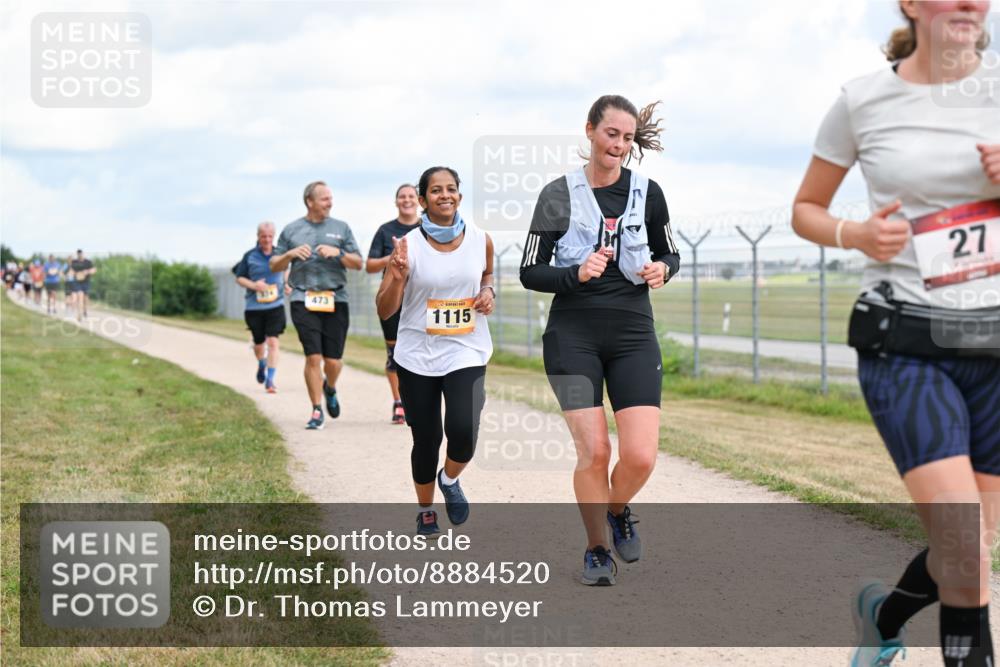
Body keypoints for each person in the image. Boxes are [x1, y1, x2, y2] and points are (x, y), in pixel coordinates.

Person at [791, 2, 998, 664]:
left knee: (969, 548)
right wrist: (855, 232)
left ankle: (884, 613)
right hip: (907, 341)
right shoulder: (864, 100)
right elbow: (806, 209)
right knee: (967, 551)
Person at [520, 95, 680, 585]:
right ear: (589, 130)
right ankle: (595, 551)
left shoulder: (649, 193)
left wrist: (662, 270)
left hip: (634, 334)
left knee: (640, 456)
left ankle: (616, 509)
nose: (619, 145)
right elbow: (529, 270)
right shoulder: (556, 193)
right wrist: (575, 273)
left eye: (628, 138)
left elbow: (671, 253)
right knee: (594, 454)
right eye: (612, 134)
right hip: (571, 337)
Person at [376, 166, 494, 537]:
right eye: (437, 190)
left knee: (463, 431)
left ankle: (450, 478)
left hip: (466, 349)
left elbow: (487, 274)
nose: (446, 195)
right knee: (426, 441)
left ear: (460, 195)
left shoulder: (480, 239)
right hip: (417, 355)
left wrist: (489, 291)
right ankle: (425, 509)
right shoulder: (407, 246)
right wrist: (395, 276)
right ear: (423, 199)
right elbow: (384, 309)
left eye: (452, 189)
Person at [270, 181, 363, 430]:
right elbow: (274, 265)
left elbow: (358, 262)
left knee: (333, 362)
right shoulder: (291, 230)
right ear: (309, 201)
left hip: (336, 299)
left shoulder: (341, 228)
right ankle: (316, 409)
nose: (329, 203)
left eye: (330, 198)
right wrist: (289, 255)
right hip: (303, 298)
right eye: (324, 199)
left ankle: (329, 387)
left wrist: (338, 254)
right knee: (313, 357)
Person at [366, 184, 421, 424]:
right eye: (402, 196)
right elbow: (369, 266)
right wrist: (392, 258)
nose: (406, 200)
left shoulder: (427, 227)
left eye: (411, 196)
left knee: (419, 351)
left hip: (421, 299)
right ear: (396, 201)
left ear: (418, 200)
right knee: (394, 354)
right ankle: (399, 401)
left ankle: (419, 400)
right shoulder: (385, 230)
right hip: (393, 297)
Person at [233, 222, 287, 393]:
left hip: (275, 305)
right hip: (254, 307)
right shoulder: (249, 256)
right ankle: (261, 363)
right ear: (258, 237)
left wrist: (286, 282)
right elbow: (239, 278)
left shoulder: (280, 254)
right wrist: (254, 285)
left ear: (274, 236)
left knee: (273, 341)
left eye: (270, 236)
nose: (267, 239)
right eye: (263, 236)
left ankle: (270, 380)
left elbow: (288, 268)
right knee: (259, 344)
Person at [70, 249, 95, 321]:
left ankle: (85, 310)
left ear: (82, 254)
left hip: (86, 282)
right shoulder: (74, 262)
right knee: (79, 296)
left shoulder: (88, 262)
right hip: (77, 282)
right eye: (78, 254)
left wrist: (87, 271)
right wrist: (75, 274)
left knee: (85, 298)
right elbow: (71, 270)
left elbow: (93, 270)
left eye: (80, 254)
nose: (79, 255)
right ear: (77, 254)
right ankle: (79, 314)